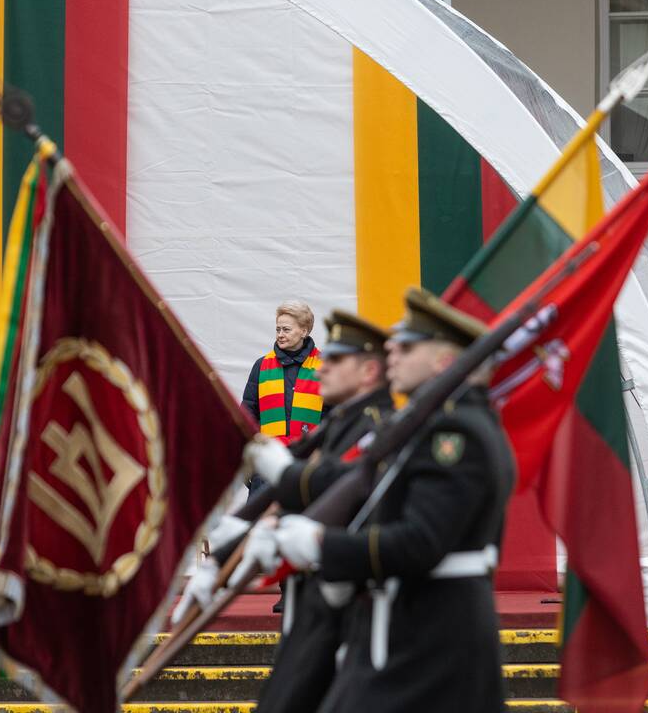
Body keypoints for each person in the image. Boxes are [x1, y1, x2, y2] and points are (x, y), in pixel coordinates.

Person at [272, 287, 516, 713]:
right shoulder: (432, 424)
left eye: (405, 346)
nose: (392, 353)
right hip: (407, 627)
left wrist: (322, 547)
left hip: (434, 632)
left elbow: (421, 540)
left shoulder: (456, 434)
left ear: (443, 361)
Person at [175, 311, 395, 712]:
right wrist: (229, 543)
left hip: (346, 601)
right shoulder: (274, 373)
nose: (324, 369)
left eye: (337, 361)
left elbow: (339, 490)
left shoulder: (374, 425)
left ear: (367, 371)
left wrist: (310, 536)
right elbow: (253, 415)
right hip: (315, 596)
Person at [241, 301, 323, 491]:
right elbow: (247, 416)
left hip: (308, 464)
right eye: (278, 329)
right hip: (267, 465)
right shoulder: (261, 366)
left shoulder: (324, 366)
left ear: (304, 331)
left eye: (286, 329)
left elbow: (333, 414)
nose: (280, 334)